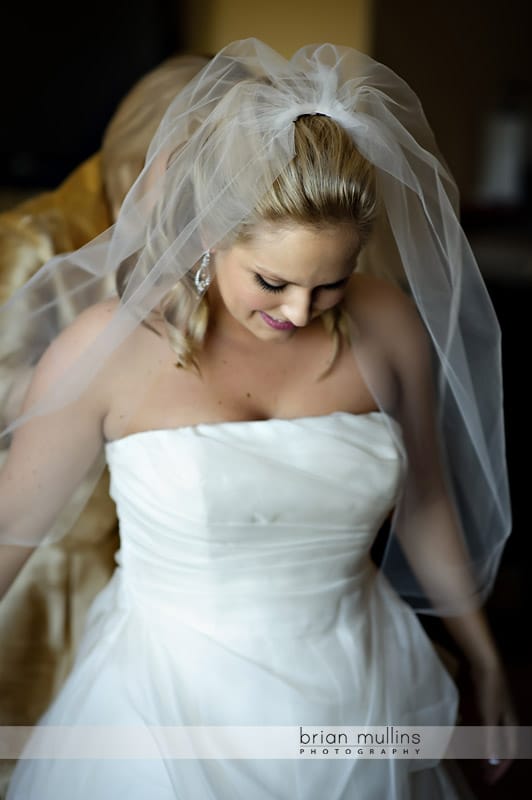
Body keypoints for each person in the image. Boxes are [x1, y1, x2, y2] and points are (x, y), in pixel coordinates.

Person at [0, 38, 517, 798]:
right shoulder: (106, 351)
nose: (299, 312)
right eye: (272, 281)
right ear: (210, 231)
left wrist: (486, 660)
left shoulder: (390, 324)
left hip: (359, 690)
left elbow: (427, 501)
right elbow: (9, 532)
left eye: (330, 283)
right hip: (162, 709)